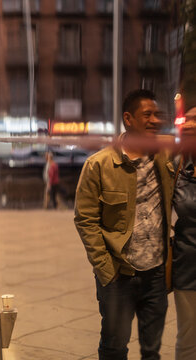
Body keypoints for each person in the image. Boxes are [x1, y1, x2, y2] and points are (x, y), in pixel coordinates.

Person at [74, 89, 173, 360]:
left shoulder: (164, 157)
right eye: (147, 115)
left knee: (152, 351)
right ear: (128, 119)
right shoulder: (99, 165)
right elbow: (85, 219)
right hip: (118, 276)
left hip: (155, 274)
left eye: (157, 115)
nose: (155, 120)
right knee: (114, 349)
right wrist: (106, 269)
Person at [172, 105, 196, 360]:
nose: (190, 125)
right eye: (187, 120)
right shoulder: (179, 169)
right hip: (187, 266)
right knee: (188, 338)